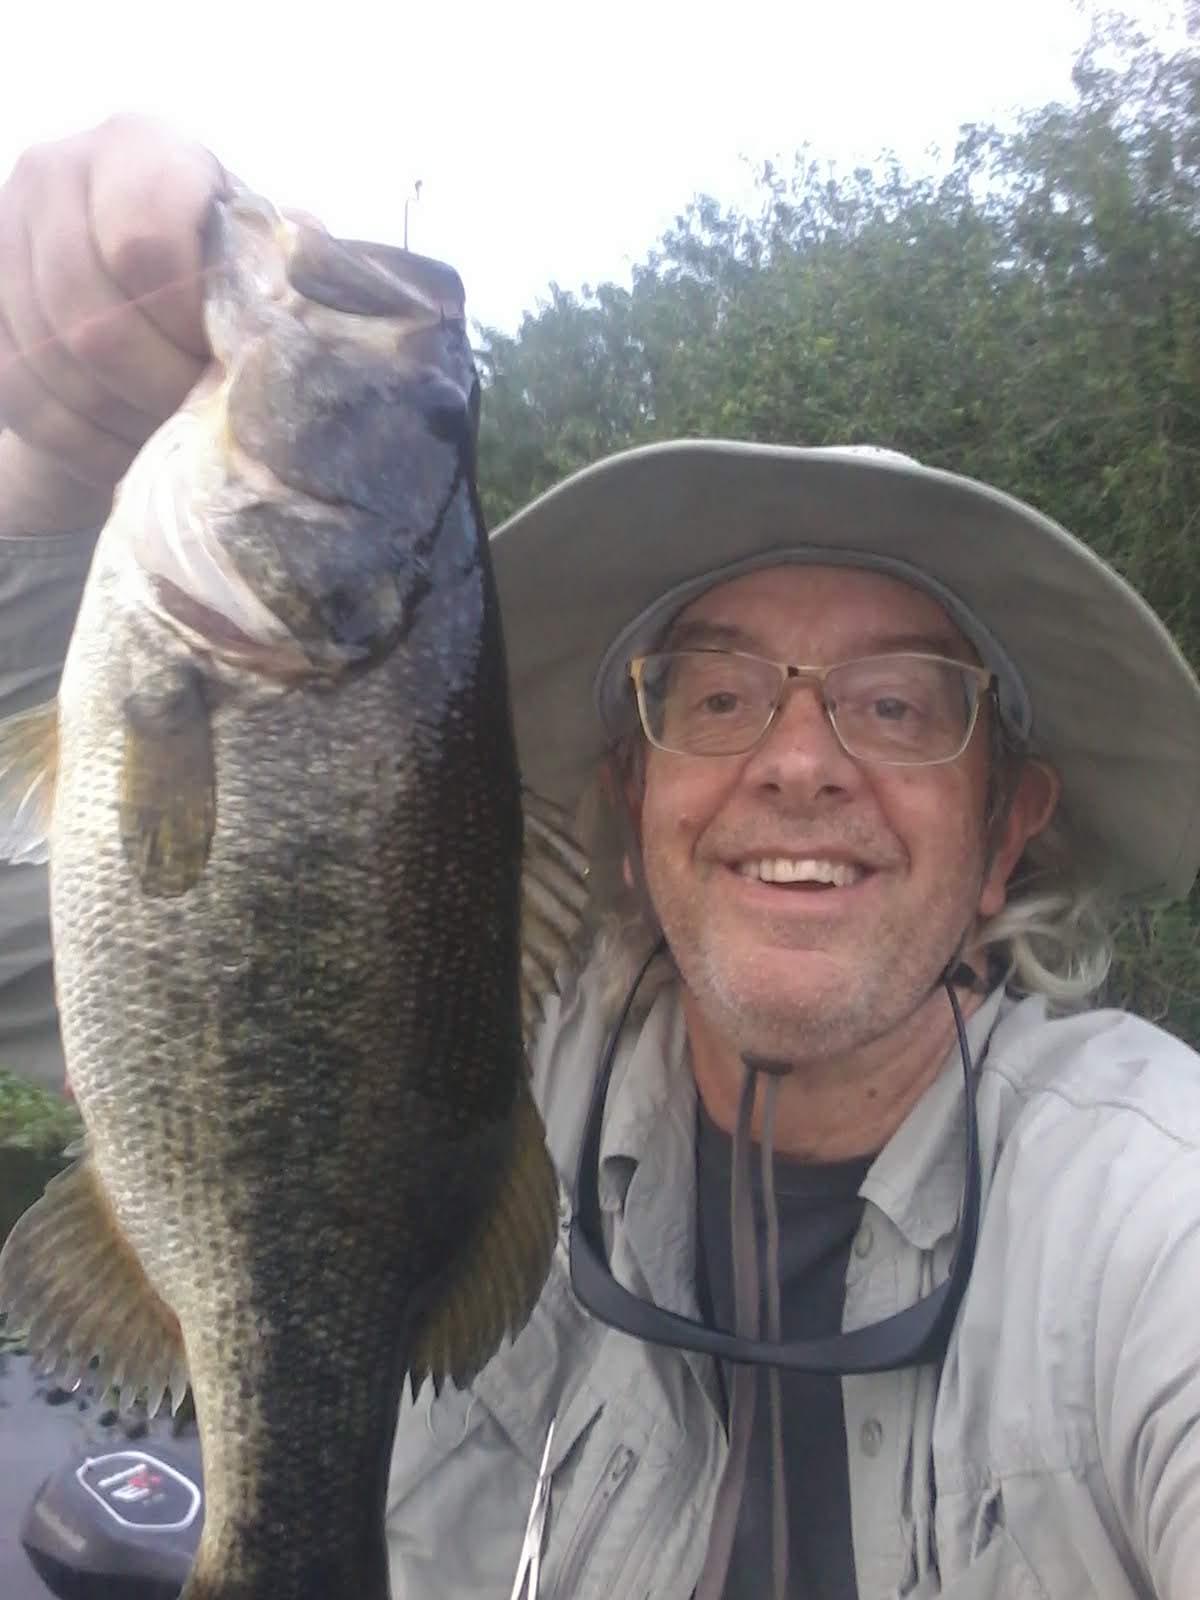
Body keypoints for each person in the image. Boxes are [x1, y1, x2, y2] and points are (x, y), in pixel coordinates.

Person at [2, 117, 1200, 1600]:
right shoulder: (491, 1052)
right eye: (718, 697)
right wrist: (37, 492)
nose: (801, 761)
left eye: (898, 705)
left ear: (1008, 828)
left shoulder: (1150, 1216)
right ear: (635, 798)